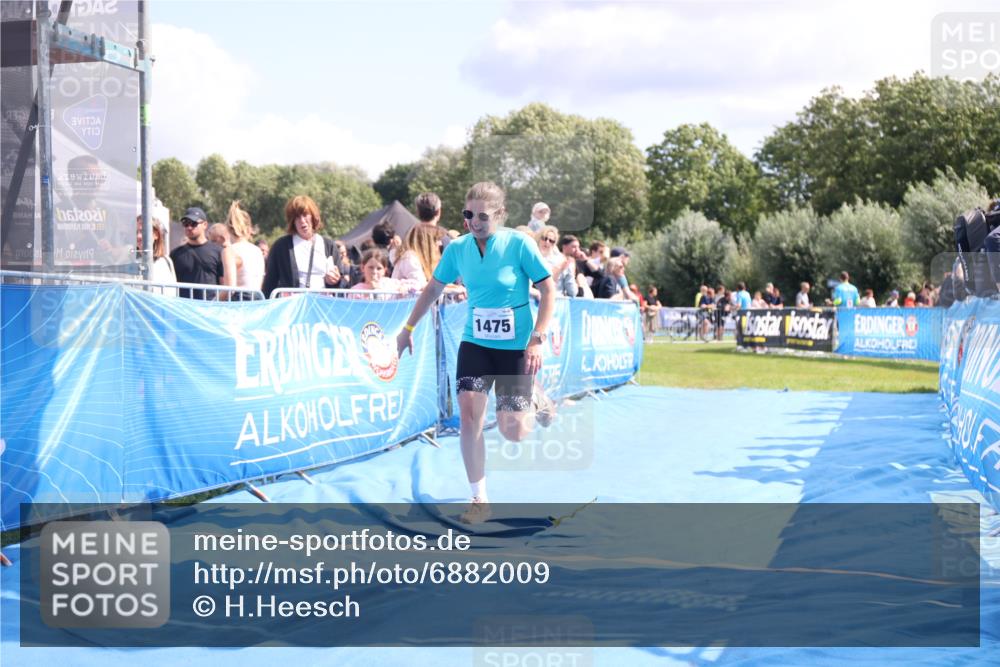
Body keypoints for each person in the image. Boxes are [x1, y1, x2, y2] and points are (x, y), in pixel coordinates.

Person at [396, 182, 557, 523]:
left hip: (516, 346)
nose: (475, 222)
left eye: (483, 216)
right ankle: (479, 498)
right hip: (476, 343)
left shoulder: (519, 244)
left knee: (513, 432)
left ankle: (536, 397)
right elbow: (434, 287)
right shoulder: (457, 248)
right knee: (469, 415)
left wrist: (538, 337)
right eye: (469, 215)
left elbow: (547, 287)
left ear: (500, 216)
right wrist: (407, 328)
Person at [261, 195, 341, 298]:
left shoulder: (329, 245)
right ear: (292, 221)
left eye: (305, 215)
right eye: (297, 217)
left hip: (323, 306)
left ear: (313, 216)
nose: (302, 221)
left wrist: (334, 281)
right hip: (293, 307)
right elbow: (269, 283)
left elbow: (341, 285)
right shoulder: (281, 247)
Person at [170, 207, 224, 299]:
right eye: (185, 224)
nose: (189, 227)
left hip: (210, 307)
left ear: (205, 225)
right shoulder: (175, 254)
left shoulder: (218, 251)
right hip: (183, 308)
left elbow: (223, 283)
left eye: (194, 223)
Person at [220, 201, 265, 300]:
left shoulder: (229, 251)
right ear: (249, 229)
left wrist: (212, 303)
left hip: (240, 303)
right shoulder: (258, 251)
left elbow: (229, 288)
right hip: (258, 301)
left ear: (228, 229)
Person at [392, 224, 441, 293]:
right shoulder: (409, 258)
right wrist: (451, 289)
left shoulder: (415, 257)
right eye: (435, 239)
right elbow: (421, 284)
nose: (439, 243)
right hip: (404, 303)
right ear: (426, 241)